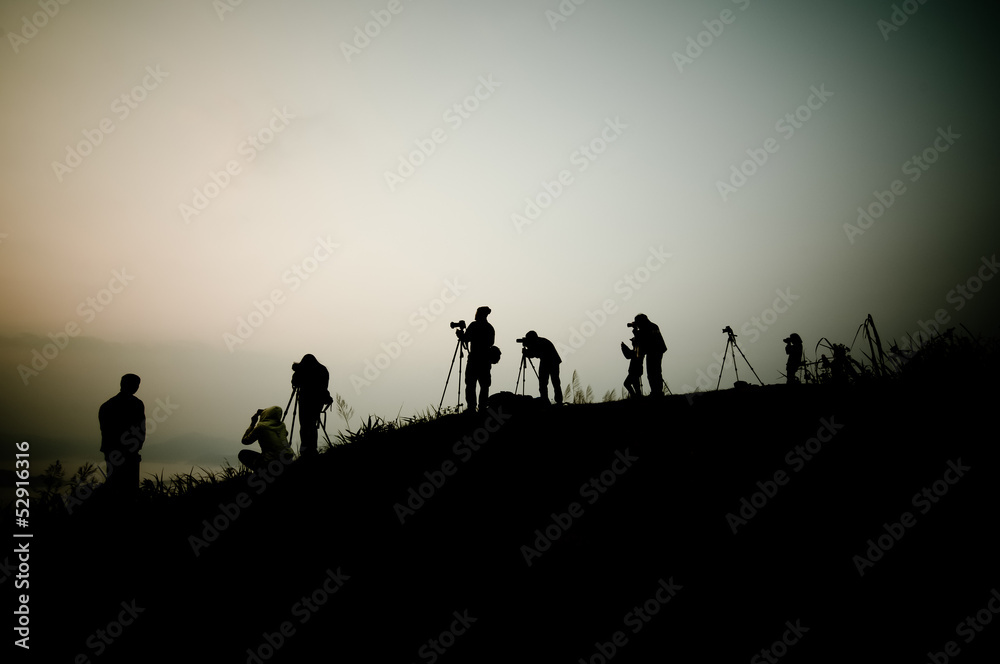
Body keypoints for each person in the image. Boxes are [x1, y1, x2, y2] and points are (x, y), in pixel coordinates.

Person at [98, 374, 145, 499]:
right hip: (128, 453)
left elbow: (105, 431)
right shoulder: (136, 404)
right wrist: (134, 448)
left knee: (114, 485)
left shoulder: (106, 405)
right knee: (128, 490)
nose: (136, 387)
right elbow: (141, 430)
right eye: (135, 384)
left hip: (112, 452)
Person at [457, 306, 495, 412]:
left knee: (471, 384)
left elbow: (466, 338)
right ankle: (482, 407)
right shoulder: (489, 327)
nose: (476, 314)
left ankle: (472, 408)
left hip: (474, 360)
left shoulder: (474, 326)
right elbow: (491, 342)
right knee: (484, 385)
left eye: (477, 312)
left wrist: (461, 335)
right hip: (485, 360)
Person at [291, 354, 330, 457]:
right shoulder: (322, 369)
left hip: (305, 401)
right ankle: (312, 449)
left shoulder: (302, 371)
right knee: (312, 425)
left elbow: (295, 382)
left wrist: (298, 372)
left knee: (304, 426)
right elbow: (324, 386)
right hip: (317, 402)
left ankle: (305, 451)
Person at [240, 406, 294, 471]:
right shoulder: (282, 426)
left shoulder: (261, 426)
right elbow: (286, 434)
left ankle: (263, 474)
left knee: (242, 454)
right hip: (287, 460)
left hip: (272, 462)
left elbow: (245, 441)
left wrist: (253, 423)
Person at [629, 314, 667, 396]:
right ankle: (658, 391)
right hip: (659, 350)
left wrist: (635, 330)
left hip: (652, 351)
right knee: (657, 372)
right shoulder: (653, 326)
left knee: (651, 373)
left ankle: (655, 392)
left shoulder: (645, 328)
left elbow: (641, 339)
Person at [520, 331, 562, 404]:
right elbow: (534, 353)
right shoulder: (540, 341)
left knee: (552, 382)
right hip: (548, 361)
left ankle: (555, 400)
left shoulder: (539, 343)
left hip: (551, 361)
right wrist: (528, 350)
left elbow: (534, 353)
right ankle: (546, 400)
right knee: (546, 382)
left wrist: (527, 352)